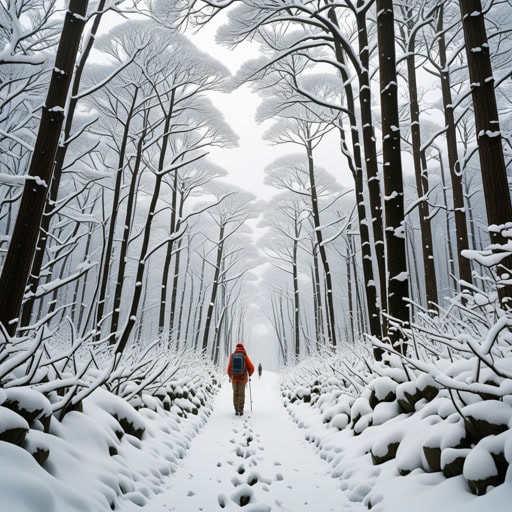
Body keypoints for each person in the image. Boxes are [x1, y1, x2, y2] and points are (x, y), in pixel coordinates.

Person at [227, 342, 254, 416]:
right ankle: (241, 410)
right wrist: (250, 373)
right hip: (243, 378)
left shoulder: (232, 356)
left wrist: (230, 375)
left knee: (235, 393)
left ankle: (236, 409)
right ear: (243, 348)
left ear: (236, 348)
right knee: (241, 394)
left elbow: (229, 368)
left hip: (234, 378)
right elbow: (252, 368)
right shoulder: (244, 356)